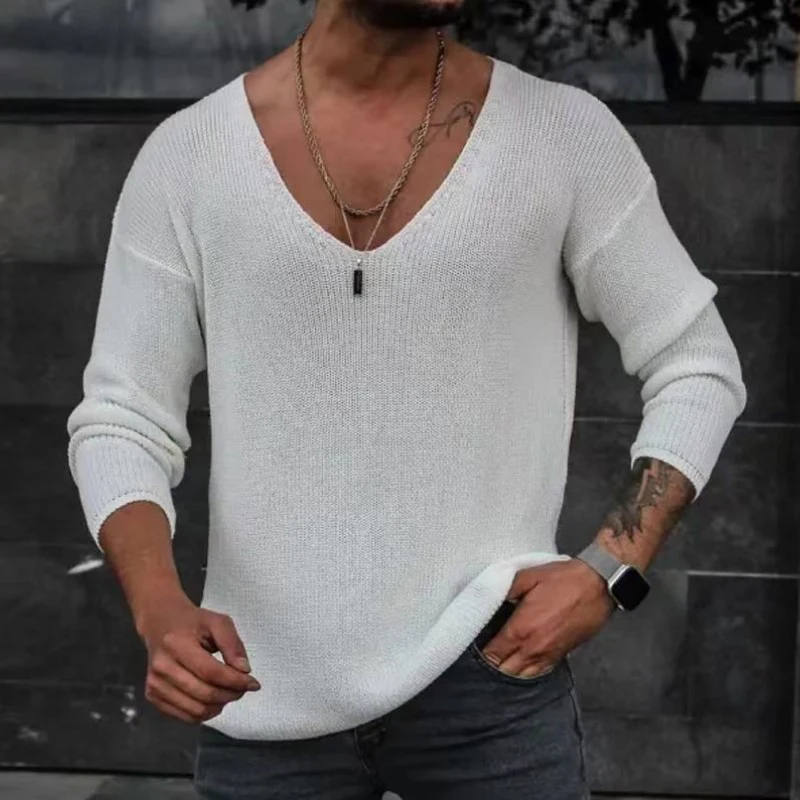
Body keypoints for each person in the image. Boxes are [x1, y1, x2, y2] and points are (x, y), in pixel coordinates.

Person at [65, 0, 747, 797]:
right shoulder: (190, 157)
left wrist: (609, 568)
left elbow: (696, 362)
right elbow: (122, 419)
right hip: (262, 693)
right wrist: (159, 609)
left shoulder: (562, 137)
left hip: (494, 684)